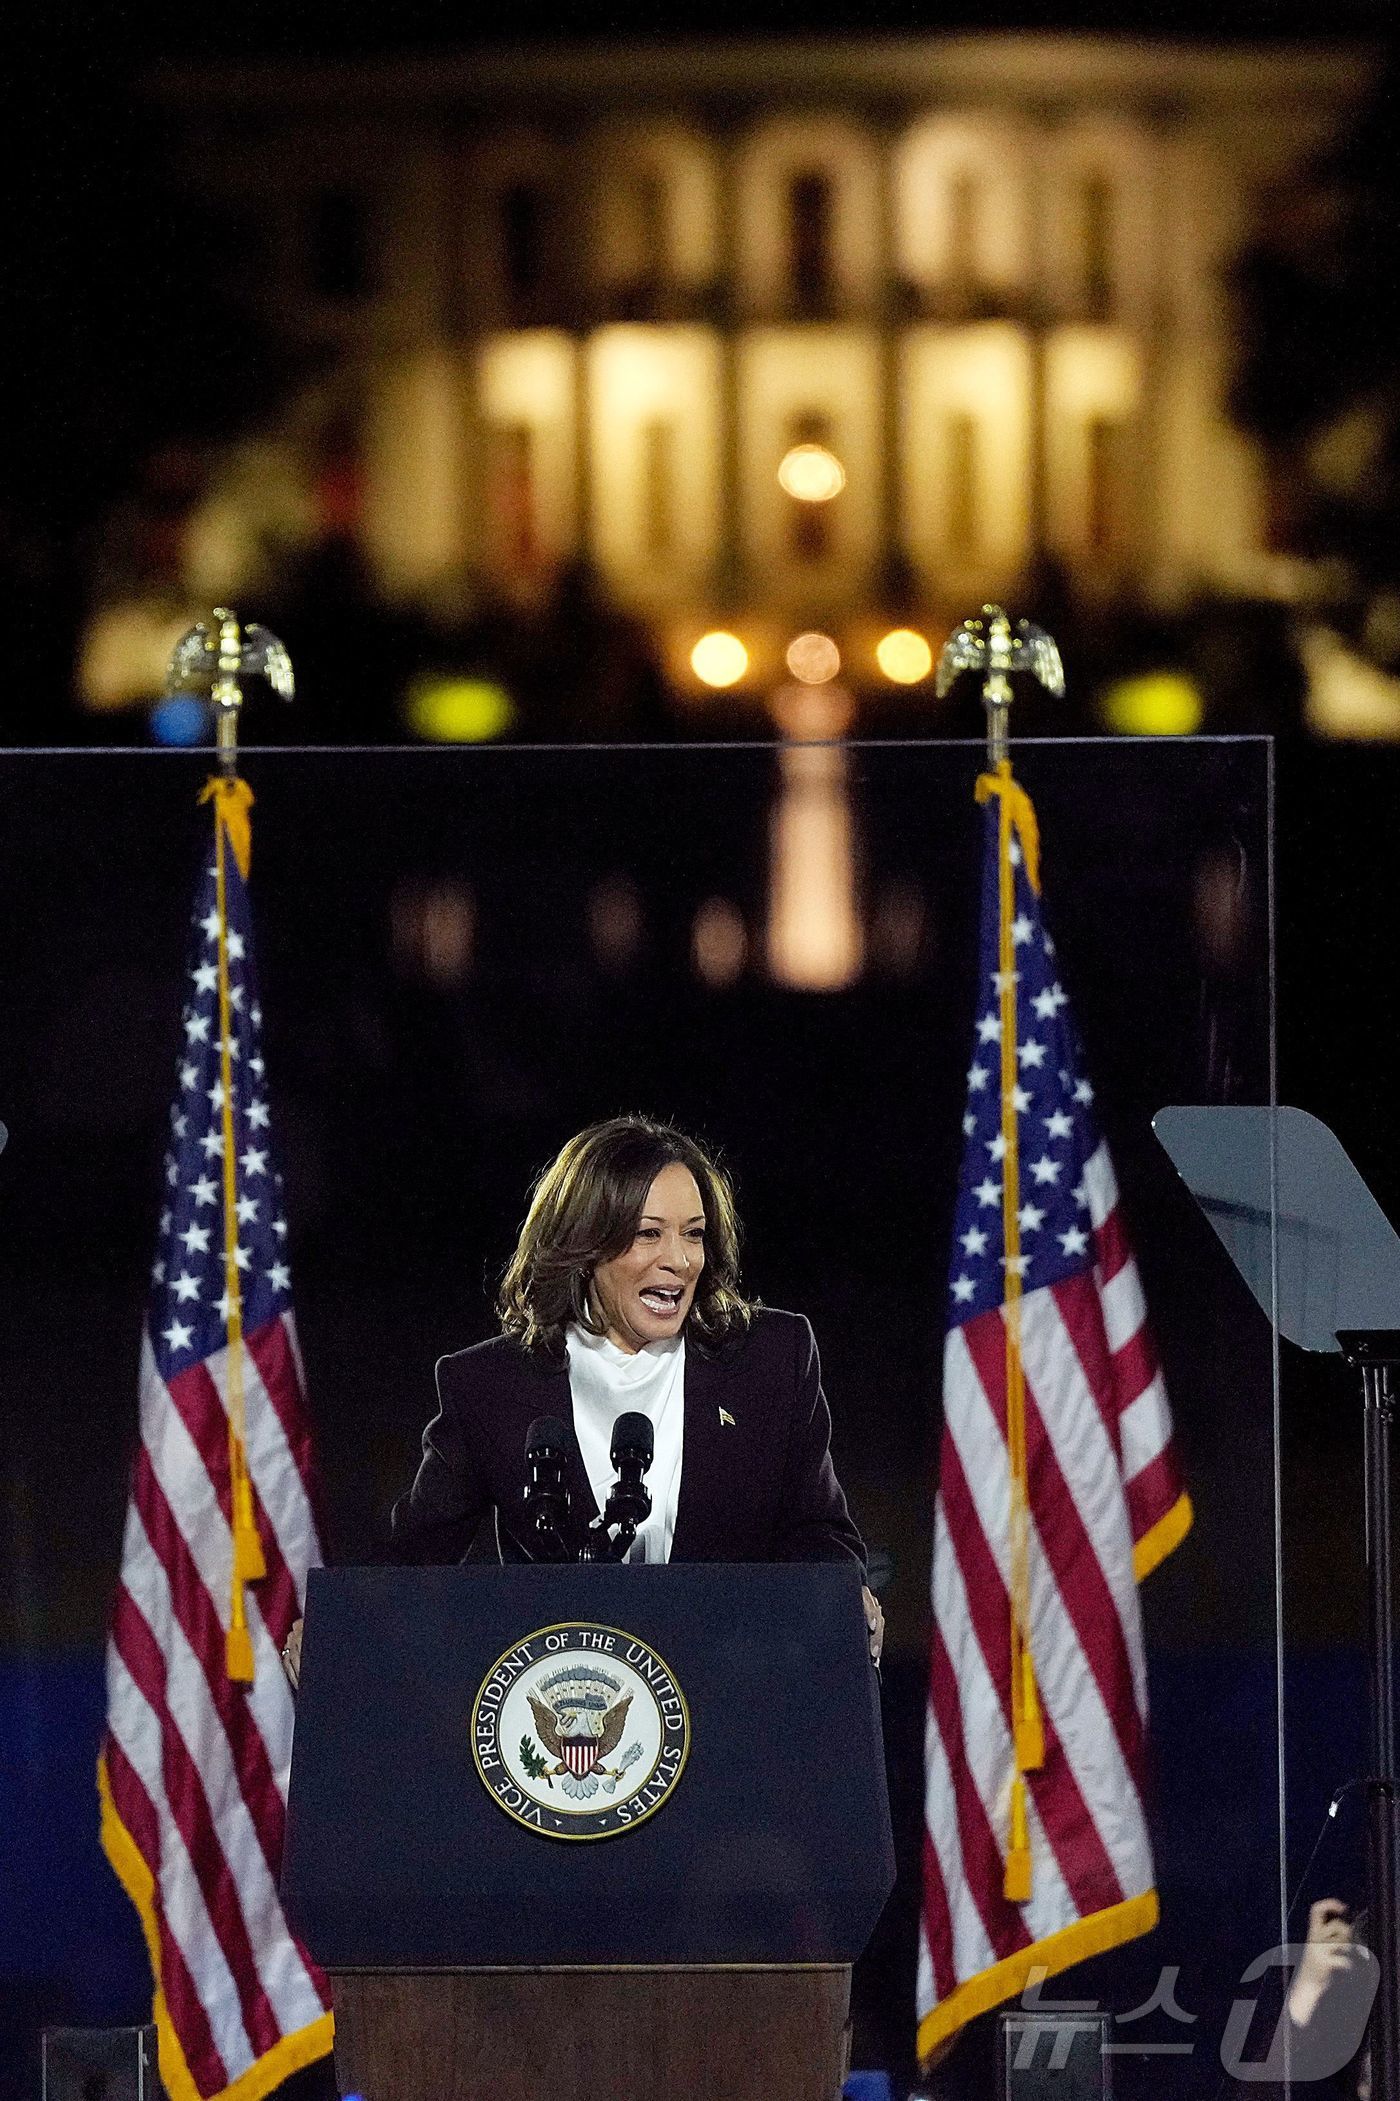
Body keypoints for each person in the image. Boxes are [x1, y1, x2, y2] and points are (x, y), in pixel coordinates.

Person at [381, 1115, 881, 1656]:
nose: (680, 1260)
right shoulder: (490, 1385)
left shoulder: (771, 1360)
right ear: (586, 1244)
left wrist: (844, 1593)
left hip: (733, 1687)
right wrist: (333, 1627)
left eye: (694, 1233)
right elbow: (412, 1562)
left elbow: (819, 1532)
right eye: (649, 1234)